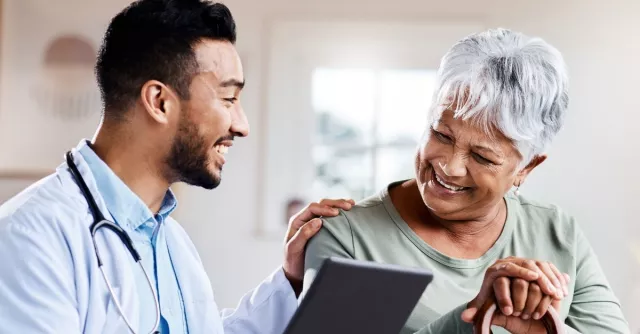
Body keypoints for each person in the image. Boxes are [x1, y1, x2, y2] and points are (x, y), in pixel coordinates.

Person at [0, 1, 355, 333]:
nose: (242, 125)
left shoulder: (169, 239)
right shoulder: (29, 238)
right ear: (159, 102)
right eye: (228, 99)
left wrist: (292, 280)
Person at [303, 28, 630, 333]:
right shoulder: (346, 236)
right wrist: (473, 317)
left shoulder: (557, 232)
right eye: (441, 134)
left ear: (527, 168)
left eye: (483, 157)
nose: (449, 165)